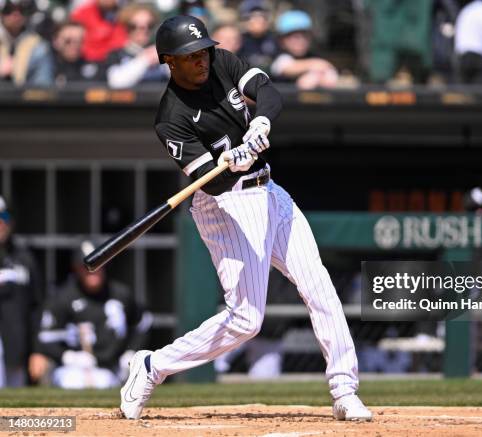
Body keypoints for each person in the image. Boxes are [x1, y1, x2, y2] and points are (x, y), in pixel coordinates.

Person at [120, 15, 371, 421]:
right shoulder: (171, 117)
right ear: (168, 60)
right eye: (189, 56)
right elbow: (209, 183)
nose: (200, 60)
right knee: (246, 320)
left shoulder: (221, 61)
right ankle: (152, 366)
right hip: (224, 207)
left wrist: (261, 121)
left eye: (202, 51)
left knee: (319, 286)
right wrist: (231, 164)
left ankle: (344, 390)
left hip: (270, 191)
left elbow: (268, 91)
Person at [35, 240, 151, 389]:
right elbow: (45, 338)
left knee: (110, 383)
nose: (93, 271)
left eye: (98, 264)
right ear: (76, 268)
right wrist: (67, 356)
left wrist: (131, 352)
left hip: (111, 367)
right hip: (73, 369)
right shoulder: (63, 298)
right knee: (72, 382)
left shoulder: (120, 295)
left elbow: (142, 324)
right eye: (87, 266)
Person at [0, 196, 43, 387]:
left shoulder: (24, 258)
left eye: (4, 216)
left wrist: (37, 350)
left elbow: (37, 307)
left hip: (16, 349)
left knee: (13, 410)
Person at [269, 10, 338, 89]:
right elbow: (287, 67)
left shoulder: (314, 56)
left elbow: (330, 78)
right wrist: (317, 66)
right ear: (282, 41)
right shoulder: (278, 56)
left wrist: (318, 77)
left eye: (304, 36)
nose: (301, 41)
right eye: (295, 37)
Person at [106, 4, 168, 89]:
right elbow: (116, 82)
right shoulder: (116, 54)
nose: (143, 30)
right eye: (134, 26)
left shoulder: (164, 52)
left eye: (149, 25)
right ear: (126, 27)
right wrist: (145, 59)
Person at [0, 0, 53, 87]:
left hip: (25, 98)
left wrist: (17, 68)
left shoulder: (39, 45)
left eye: (21, 9)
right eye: (8, 9)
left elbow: (43, 88)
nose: (16, 14)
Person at [50, 21, 106, 87]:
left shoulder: (96, 69)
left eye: (79, 41)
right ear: (55, 42)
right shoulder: (48, 68)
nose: (74, 45)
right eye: (68, 41)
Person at [237, 0, 278, 73]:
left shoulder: (275, 39)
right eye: (253, 16)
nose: (259, 20)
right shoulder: (238, 40)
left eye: (262, 15)